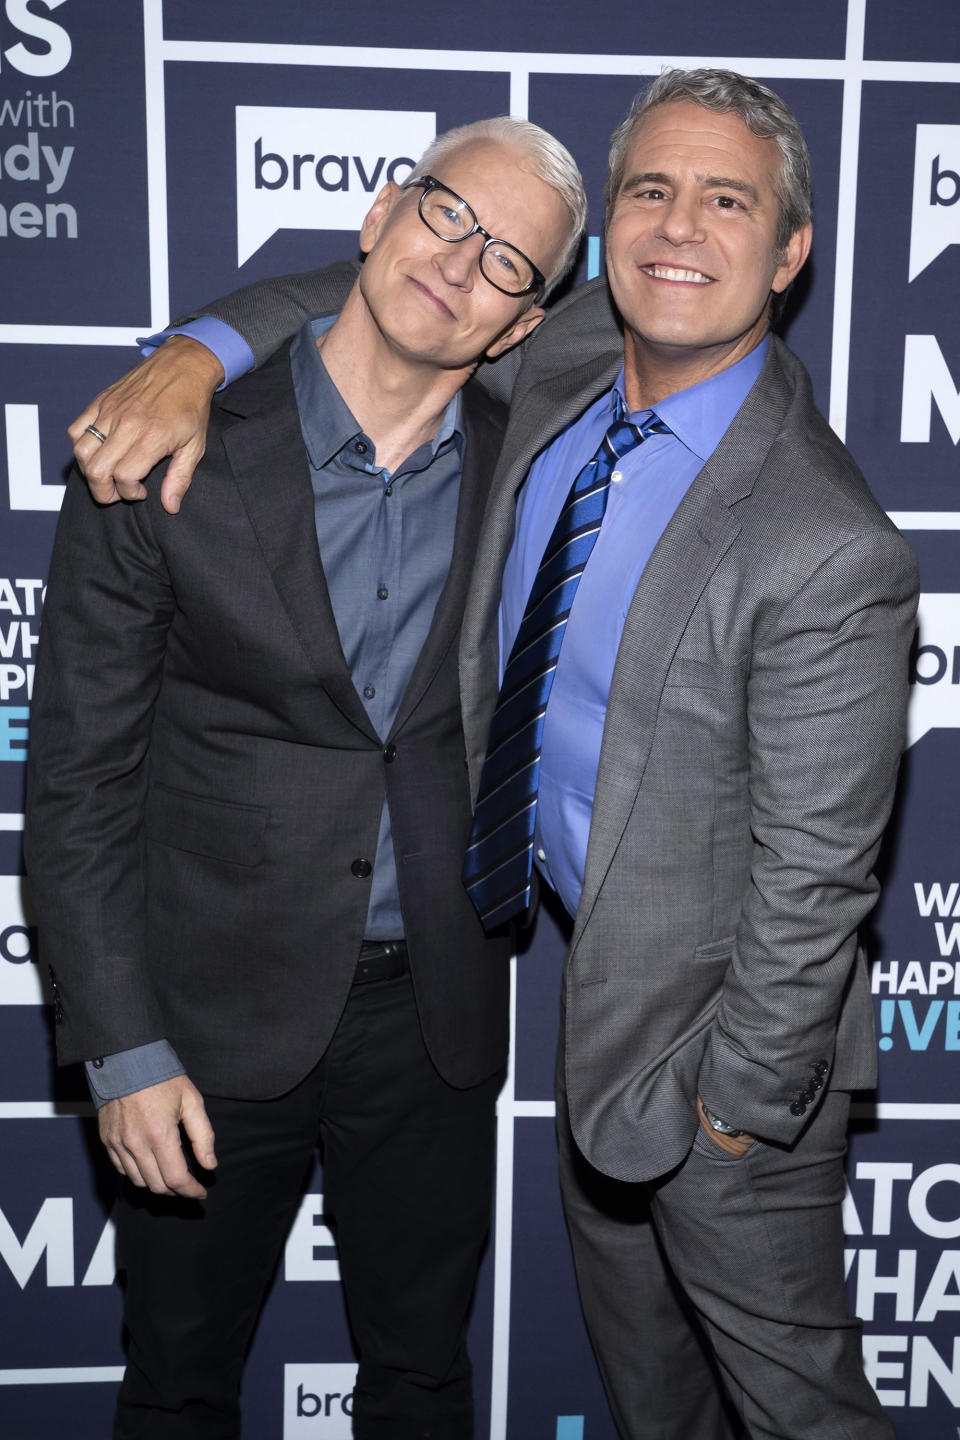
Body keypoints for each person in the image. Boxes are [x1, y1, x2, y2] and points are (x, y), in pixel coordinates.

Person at [66, 71, 916, 1440]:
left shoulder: (825, 540)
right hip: (569, 1035)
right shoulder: (572, 368)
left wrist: (741, 1110)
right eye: (652, 190)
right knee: (656, 1407)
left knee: (800, 1412)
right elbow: (389, 308)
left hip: (719, 1075)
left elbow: (819, 881)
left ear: (792, 250)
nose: (680, 228)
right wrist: (198, 350)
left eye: (727, 200)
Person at [25, 116, 584, 1440]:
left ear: (522, 328)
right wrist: (122, 1046)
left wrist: (206, 331)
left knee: (423, 1380)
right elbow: (78, 785)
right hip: (203, 1022)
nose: (460, 263)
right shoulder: (163, 449)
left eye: (509, 263)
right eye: (447, 213)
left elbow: (688, 297)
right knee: (177, 1386)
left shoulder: (537, 464)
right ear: (381, 210)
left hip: (434, 1021)